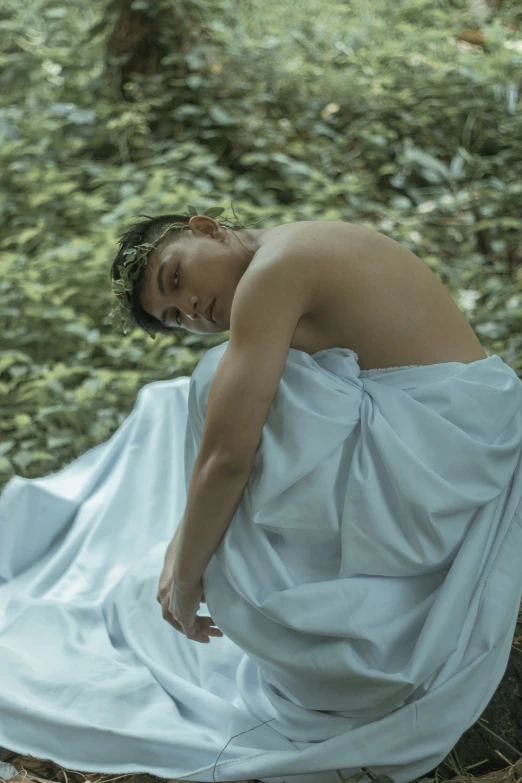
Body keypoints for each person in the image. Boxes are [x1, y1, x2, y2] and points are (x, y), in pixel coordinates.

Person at [1, 210, 521, 783]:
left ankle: (293, 617)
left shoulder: (277, 268)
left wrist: (187, 577)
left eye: (177, 279)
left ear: (206, 227)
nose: (191, 311)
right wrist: (182, 541)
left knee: (214, 381)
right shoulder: (292, 249)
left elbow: (228, 457)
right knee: (236, 383)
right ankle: (304, 592)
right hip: (463, 433)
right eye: (174, 316)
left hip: (447, 447)